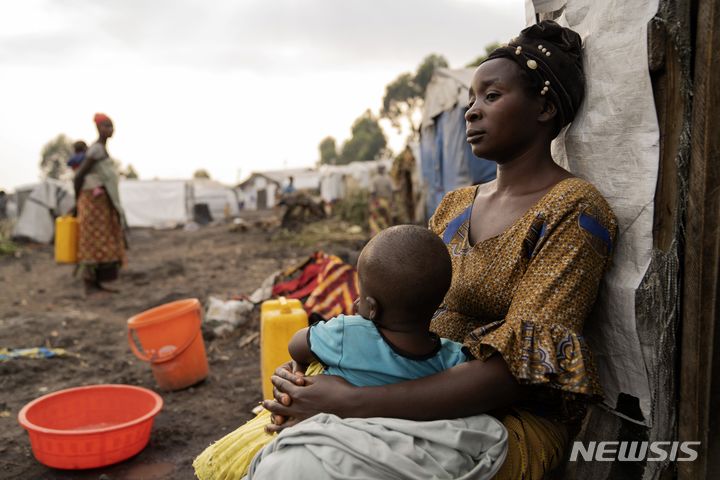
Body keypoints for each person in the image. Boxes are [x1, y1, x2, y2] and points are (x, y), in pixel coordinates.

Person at [258, 20, 618, 480]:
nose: (471, 111)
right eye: (471, 98)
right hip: (394, 387)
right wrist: (314, 374)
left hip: (503, 418)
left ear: (544, 107)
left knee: (302, 468)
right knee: (263, 448)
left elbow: (517, 373)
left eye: (491, 96)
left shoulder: (573, 210)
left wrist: (350, 402)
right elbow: (395, 314)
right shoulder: (454, 206)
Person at [194, 225, 508, 480]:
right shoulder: (452, 357)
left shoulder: (347, 334)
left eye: (360, 295)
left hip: (334, 433)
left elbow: (297, 344)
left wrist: (301, 362)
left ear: (368, 307)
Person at [73, 113, 127, 294]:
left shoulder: (101, 150)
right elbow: (78, 176)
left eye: (111, 126)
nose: (110, 129)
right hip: (93, 202)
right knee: (92, 242)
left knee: (103, 240)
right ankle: (89, 284)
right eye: (106, 126)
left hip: (102, 202)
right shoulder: (95, 150)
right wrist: (77, 201)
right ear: (98, 128)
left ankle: (97, 283)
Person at [368, 164, 393, 236]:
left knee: (375, 218)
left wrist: (373, 202)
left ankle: (376, 234)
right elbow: (393, 190)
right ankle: (388, 233)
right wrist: (392, 201)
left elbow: (372, 192)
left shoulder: (374, 179)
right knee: (387, 218)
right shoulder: (388, 178)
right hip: (387, 201)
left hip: (378, 201)